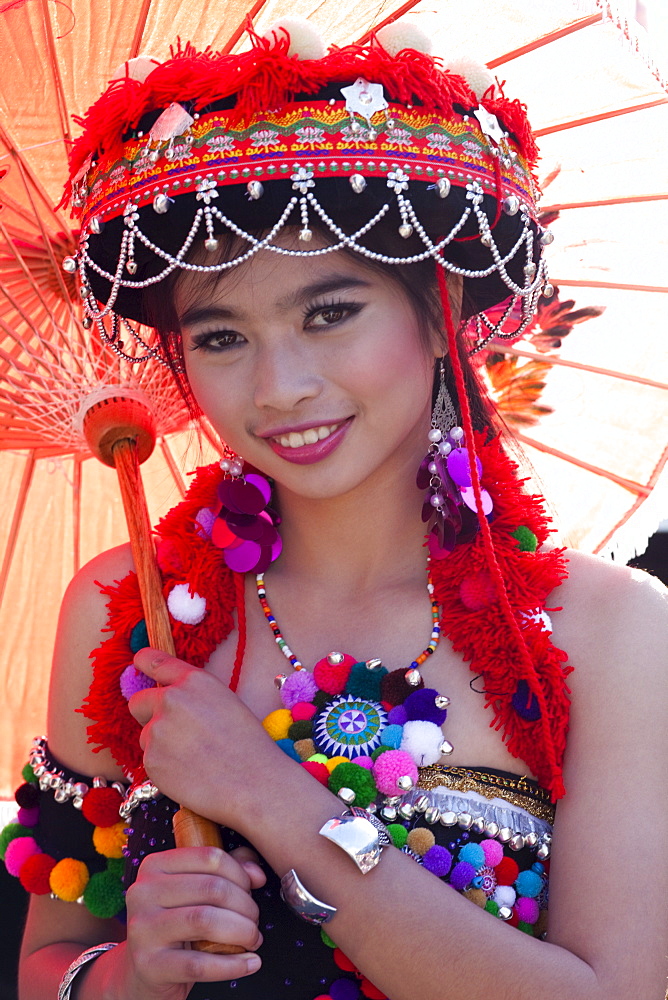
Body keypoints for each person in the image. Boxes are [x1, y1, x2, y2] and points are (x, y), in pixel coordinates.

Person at [4, 18, 667, 1000]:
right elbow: (47, 961)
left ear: (440, 312)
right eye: (221, 336)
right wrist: (134, 972)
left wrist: (269, 797)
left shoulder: (604, 630)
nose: (277, 386)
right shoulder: (126, 613)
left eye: (328, 313)